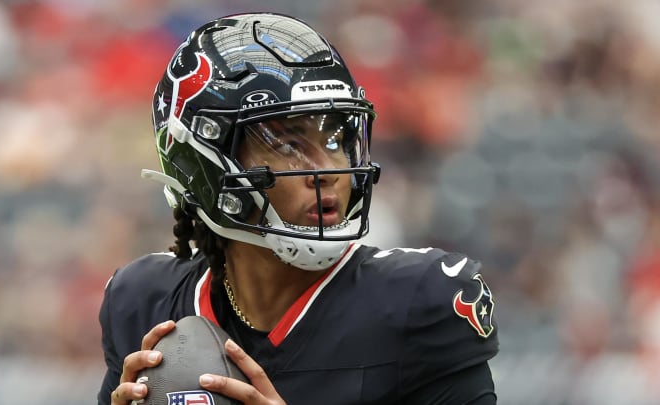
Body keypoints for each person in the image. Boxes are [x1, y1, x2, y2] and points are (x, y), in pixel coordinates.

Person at [98, 12, 499, 405]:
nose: (327, 170)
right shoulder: (143, 301)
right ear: (202, 161)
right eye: (288, 145)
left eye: (336, 141)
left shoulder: (420, 300)